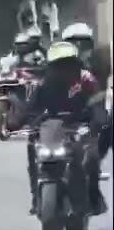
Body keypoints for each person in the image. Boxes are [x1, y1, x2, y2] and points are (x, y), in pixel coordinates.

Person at [17, 41, 109, 216]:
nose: (63, 69)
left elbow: (98, 103)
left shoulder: (86, 79)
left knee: (90, 157)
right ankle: (36, 198)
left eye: (68, 63)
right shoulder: (43, 83)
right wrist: (22, 120)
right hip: (54, 127)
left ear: (76, 63)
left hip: (82, 126)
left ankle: (93, 199)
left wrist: (98, 118)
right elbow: (32, 107)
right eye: (58, 65)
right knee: (32, 146)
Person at [62, 22, 111, 161]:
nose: (78, 49)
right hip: (66, 112)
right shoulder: (59, 66)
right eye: (73, 44)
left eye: (83, 45)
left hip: (93, 111)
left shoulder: (100, 64)